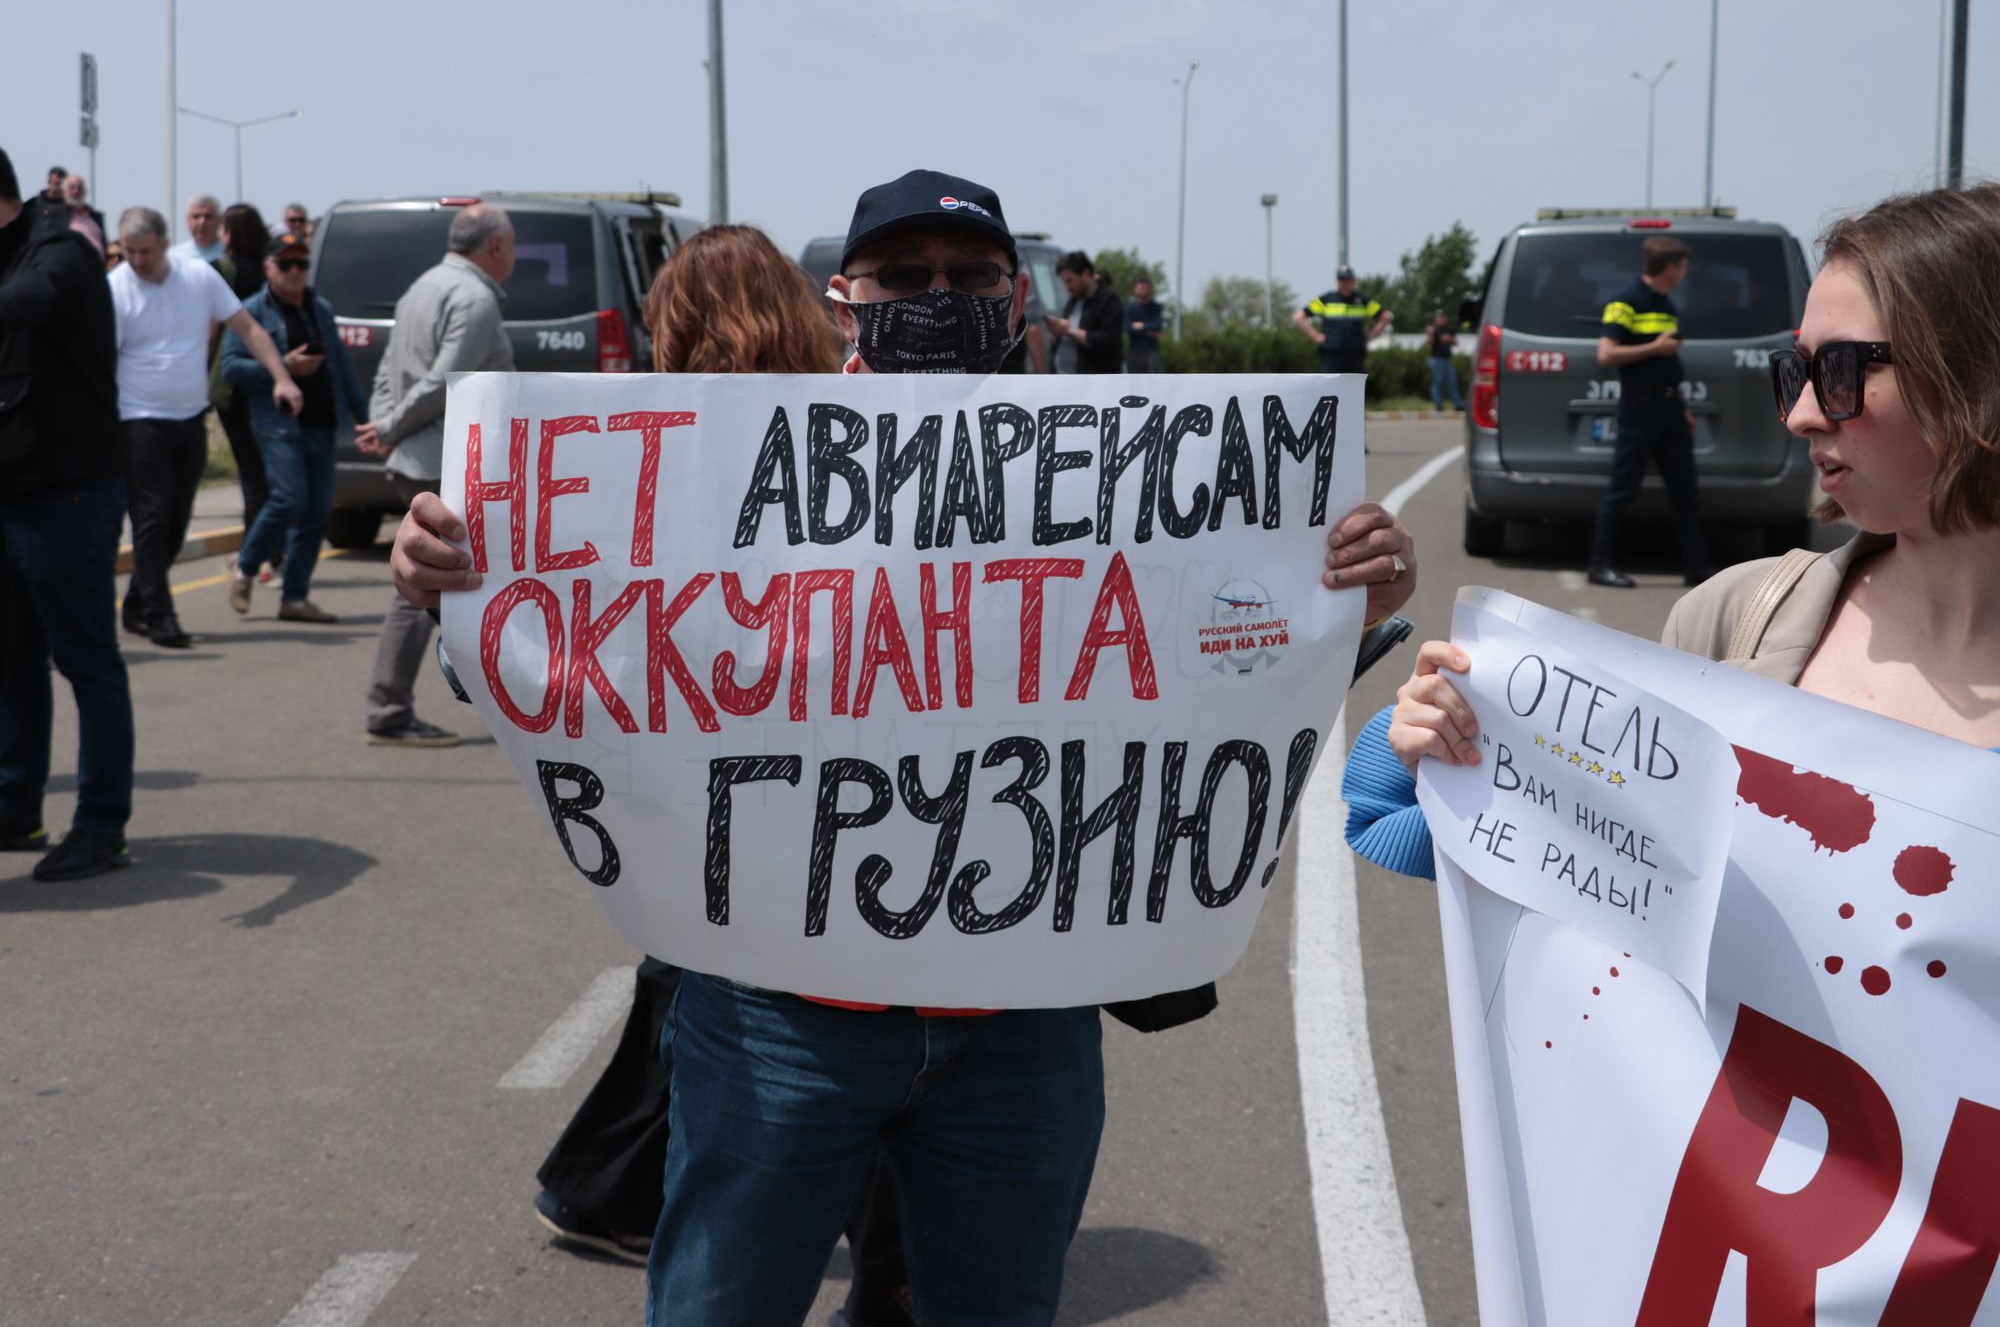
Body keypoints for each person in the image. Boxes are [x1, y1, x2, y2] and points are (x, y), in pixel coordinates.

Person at [391, 169, 1420, 1326]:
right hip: (778, 1016)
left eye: (969, 274)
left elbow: (1217, 666)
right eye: (903, 275)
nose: (938, 293)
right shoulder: (727, 458)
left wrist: (1343, 600)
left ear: (1016, 299)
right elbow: (588, 652)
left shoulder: (1126, 470)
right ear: (846, 297)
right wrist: (456, 593)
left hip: (1022, 1029)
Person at [1346, 183, 2000, 885]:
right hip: (1638, 415)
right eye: (1797, 373)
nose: (1801, 414)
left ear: (1976, 373)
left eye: (1839, 370)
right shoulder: (1731, 620)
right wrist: (1434, 741)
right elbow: (1572, 841)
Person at [527, 223, 847, 1274]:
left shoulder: (639, 441)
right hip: (813, 762)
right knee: (731, 989)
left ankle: (608, 1186)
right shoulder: (849, 432)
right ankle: (610, 1186)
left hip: (693, 770)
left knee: (696, 974)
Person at [0, 147, 137, 881]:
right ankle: (15, 807)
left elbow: (31, 299)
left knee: (87, 662)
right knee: (11, 658)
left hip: (69, 494)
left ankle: (101, 826)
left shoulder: (60, 247)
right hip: (11, 490)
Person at [354, 202, 515, 747]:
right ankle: (389, 708)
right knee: (426, 589)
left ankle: (393, 705)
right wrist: (391, 427)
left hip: (416, 458)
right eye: (513, 246)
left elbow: (388, 369)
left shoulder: (422, 285)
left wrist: (385, 424)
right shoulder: (475, 298)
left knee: (425, 585)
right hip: (445, 466)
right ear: (496, 247)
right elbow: (446, 381)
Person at [110, 207, 300, 649]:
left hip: (189, 417)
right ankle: (160, 614)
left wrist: (283, 378)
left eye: (145, 252)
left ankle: (137, 603)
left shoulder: (198, 277)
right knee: (152, 518)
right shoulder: (115, 287)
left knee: (176, 522)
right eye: (129, 251)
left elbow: (249, 330)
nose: (137, 261)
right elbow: (103, 357)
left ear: (164, 245)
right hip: (137, 419)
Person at [221, 232, 365, 623]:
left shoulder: (321, 308)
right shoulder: (252, 311)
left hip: (322, 422)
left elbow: (342, 364)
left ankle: (295, 598)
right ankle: (246, 567)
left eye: (301, 263)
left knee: (317, 514)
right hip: (278, 424)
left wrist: (362, 415)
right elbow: (230, 367)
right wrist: (282, 365)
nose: (294, 271)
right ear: (268, 268)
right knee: (289, 500)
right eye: (285, 264)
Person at [1586, 235, 1711, 589]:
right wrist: (1655, 347)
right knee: (1622, 490)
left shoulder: (1667, 305)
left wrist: (1682, 409)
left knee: (1685, 492)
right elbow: (1606, 354)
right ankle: (1600, 565)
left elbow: (1667, 362)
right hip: (1640, 408)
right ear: (1670, 268)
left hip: (1671, 409)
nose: (1684, 273)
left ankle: (1698, 569)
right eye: (1683, 267)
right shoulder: (1624, 302)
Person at [211, 204, 273, 553]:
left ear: (230, 233)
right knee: (264, 470)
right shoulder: (271, 271)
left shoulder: (221, 269)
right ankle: (266, 547)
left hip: (232, 382)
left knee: (251, 474)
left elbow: (209, 331)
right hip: (267, 377)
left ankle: (254, 549)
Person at [1295, 263, 1390, 376]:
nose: (1345, 283)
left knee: (1355, 386)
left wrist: (1372, 334)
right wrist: (1315, 336)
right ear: (1337, 281)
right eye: (1341, 279)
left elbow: (1385, 317)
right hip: (1331, 354)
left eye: (1347, 279)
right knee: (1328, 385)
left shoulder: (1361, 300)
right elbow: (1299, 316)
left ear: (1353, 280)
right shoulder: (1327, 299)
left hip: (1355, 354)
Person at [1046, 249, 1124, 373]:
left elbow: (1108, 341)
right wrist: (1057, 333)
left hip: (1095, 379)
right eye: (1064, 282)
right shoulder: (1073, 301)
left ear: (1086, 274)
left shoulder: (1109, 300)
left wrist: (1070, 331)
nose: (1067, 287)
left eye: (1070, 280)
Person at [1425, 308, 1463, 413]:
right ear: (1436, 319)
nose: (1441, 319)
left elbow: (1456, 344)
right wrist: (1430, 334)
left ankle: (1458, 405)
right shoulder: (1434, 330)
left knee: (1453, 383)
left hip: (1448, 360)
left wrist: (1450, 339)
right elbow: (1429, 344)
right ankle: (1438, 405)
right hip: (1436, 359)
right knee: (1437, 383)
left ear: (1446, 318)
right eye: (1439, 317)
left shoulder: (1448, 330)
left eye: (1443, 317)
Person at [170, 194, 224, 265]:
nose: (202, 222)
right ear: (188, 221)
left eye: (208, 217)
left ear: (220, 221)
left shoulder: (230, 253)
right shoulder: (173, 256)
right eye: (196, 216)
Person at [1126, 275, 1165, 373]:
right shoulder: (1130, 309)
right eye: (1140, 289)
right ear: (1135, 290)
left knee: (1153, 379)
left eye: (1145, 289)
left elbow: (1158, 326)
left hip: (1152, 352)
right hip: (1134, 353)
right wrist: (1149, 332)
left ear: (1149, 290)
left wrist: (1141, 326)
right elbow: (1128, 328)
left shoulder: (1156, 307)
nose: (1142, 291)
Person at [61, 174, 105, 256]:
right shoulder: (58, 217)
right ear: (64, 192)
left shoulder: (95, 217)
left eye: (80, 188)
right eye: (72, 188)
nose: (76, 191)